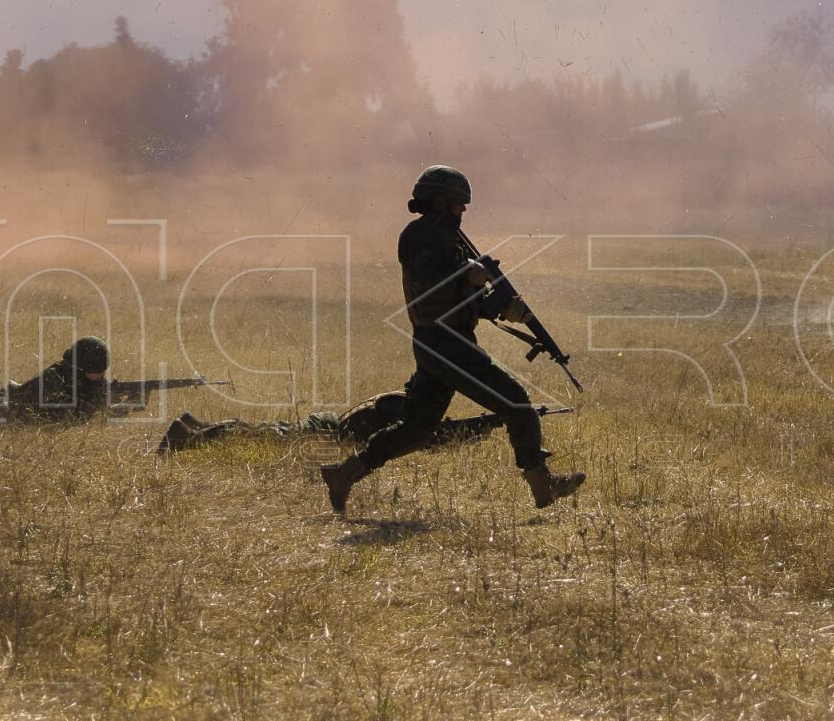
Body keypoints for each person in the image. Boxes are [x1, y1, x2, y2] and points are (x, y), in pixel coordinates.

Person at [320, 165, 585, 513]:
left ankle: (344, 474)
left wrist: (502, 309)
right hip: (445, 343)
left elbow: (459, 297)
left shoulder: (447, 240)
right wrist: (469, 274)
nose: (463, 213)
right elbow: (431, 281)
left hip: (442, 342)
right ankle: (542, 484)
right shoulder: (418, 237)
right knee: (517, 404)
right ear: (442, 202)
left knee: (417, 429)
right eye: (459, 205)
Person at [155, 390, 514, 454]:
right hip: (324, 433)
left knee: (263, 431)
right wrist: (482, 427)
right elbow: (431, 439)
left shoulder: (398, 403)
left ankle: (192, 425)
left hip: (326, 427)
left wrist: (485, 424)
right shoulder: (399, 411)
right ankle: (186, 436)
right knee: (258, 435)